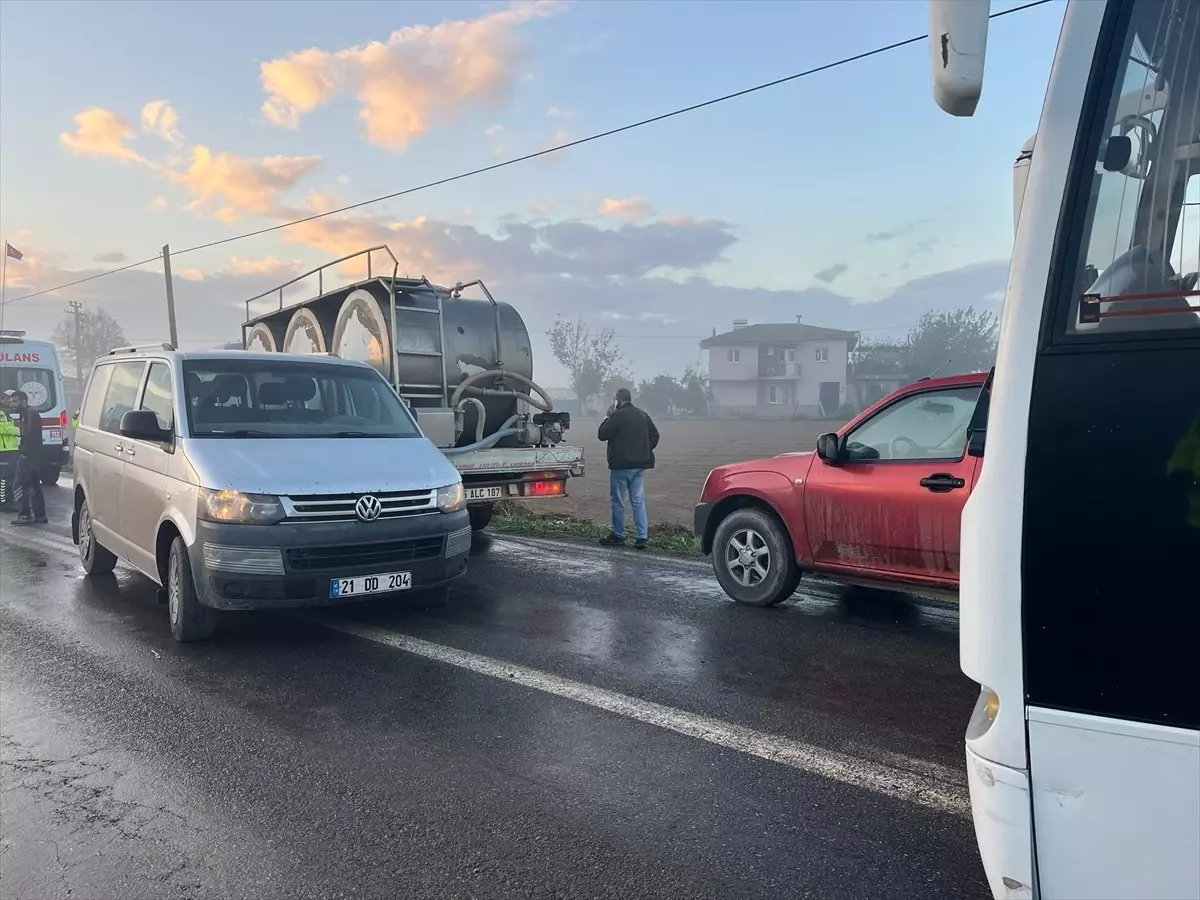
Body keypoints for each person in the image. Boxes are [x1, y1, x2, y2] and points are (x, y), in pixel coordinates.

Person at [596, 387, 659, 549]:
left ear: (617, 401)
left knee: (618, 501)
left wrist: (607, 416)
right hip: (640, 465)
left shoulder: (616, 416)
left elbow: (602, 434)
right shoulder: (643, 415)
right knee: (638, 501)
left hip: (621, 466)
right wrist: (644, 449)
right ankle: (642, 537)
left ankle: (619, 535)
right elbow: (655, 436)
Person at [9, 389, 47, 525]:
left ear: (23, 401)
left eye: (15, 401)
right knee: (34, 485)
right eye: (11, 402)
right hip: (34, 455)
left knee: (19, 485)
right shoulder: (28, 413)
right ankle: (40, 515)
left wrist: (24, 451)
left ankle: (24, 515)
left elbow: (30, 433)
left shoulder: (30, 413)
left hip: (28, 456)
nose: (12, 404)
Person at [0, 392, 21, 508]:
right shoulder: (2, 412)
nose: (10, 401)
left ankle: (5, 501)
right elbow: (4, 428)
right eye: (8, 399)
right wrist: (19, 431)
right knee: (6, 478)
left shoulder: (5, 412)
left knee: (7, 477)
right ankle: (5, 503)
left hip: (8, 449)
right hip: (5, 449)